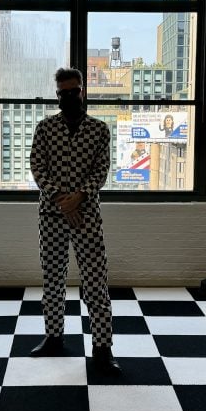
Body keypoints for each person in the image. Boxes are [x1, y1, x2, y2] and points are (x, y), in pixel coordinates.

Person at [29, 67, 119, 374]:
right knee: (52, 279)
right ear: (57, 95)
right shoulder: (45, 129)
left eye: (74, 90)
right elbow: (38, 168)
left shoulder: (99, 130)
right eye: (63, 92)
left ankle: (102, 347)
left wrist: (79, 197)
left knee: (95, 279)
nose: (69, 96)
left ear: (82, 91)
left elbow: (101, 171)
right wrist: (62, 200)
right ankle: (54, 337)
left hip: (87, 215)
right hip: (52, 214)